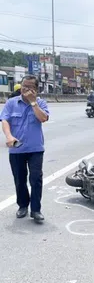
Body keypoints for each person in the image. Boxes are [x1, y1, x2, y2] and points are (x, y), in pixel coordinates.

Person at [0, 75, 50, 222]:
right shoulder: (11, 103)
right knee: (19, 179)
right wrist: (8, 136)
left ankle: (35, 210)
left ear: (36, 89)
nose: (25, 89)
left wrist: (34, 103)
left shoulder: (41, 103)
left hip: (35, 148)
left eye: (29, 87)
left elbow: (43, 118)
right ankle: (23, 205)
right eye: (24, 86)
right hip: (16, 148)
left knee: (36, 179)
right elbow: (5, 120)